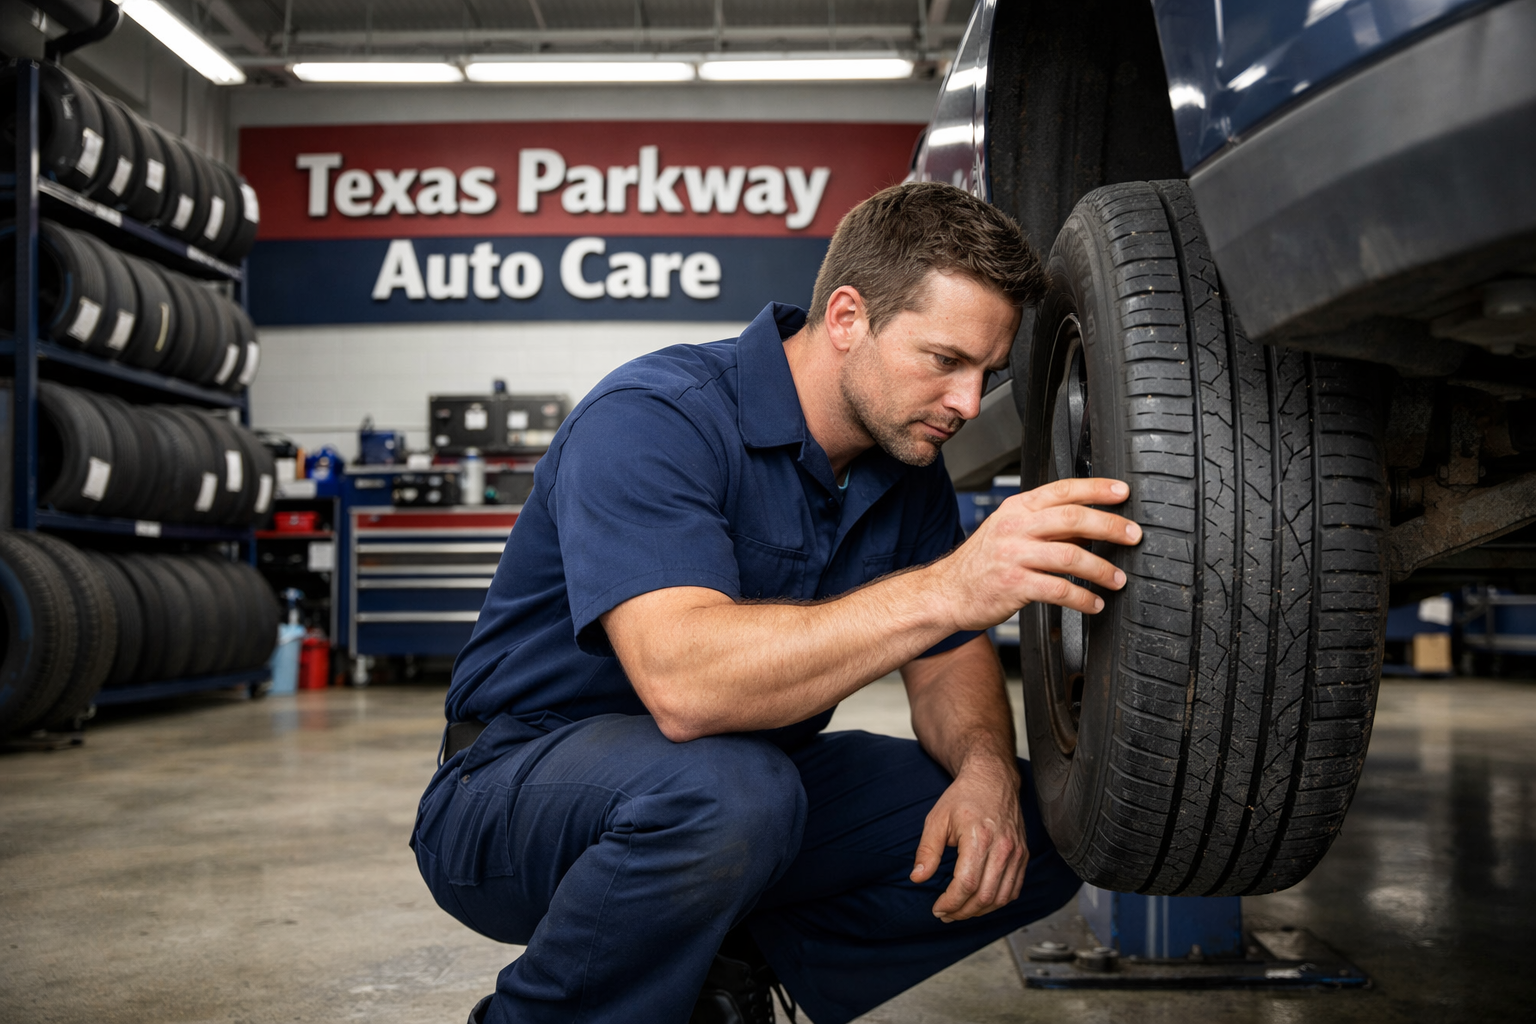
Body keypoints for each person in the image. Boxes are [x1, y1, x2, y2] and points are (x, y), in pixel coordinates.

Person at [411, 181, 1142, 1024]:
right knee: (732, 794)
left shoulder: (906, 466)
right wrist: (949, 585)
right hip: (511, 793)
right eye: (945, 361)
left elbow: (948, 656)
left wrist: (983, 774)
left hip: (742, 787)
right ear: (847, 317)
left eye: (988, 373)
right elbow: (688, 688)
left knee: (1042, 827)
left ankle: (718, 981)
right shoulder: (655, 418)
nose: (969, 404)